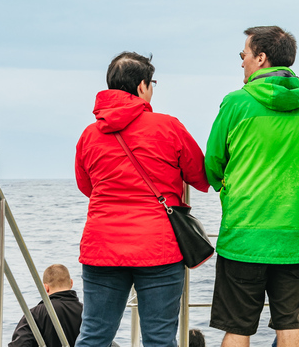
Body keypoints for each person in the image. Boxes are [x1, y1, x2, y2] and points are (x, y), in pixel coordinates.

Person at [205, 26, 299, 347]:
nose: (241, 62)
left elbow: (212, 165)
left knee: (238, 328)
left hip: (243, 234)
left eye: (243, 55)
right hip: (294, 236)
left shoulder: (235, 103)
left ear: (261, 58)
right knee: (289, 327)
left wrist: (227, 187)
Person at [74, 52, 209, 347]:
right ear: (141, 87)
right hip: (158, 247)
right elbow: (200, 176)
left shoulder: (88, 135)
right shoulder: (168, 126)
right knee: (160, 338)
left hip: (102, 247)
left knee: (94, 334)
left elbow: (87, 186)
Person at [9, 264, 83, 347]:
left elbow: (20, 344)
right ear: (71, 283)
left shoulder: (35, 314)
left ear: (45, 287)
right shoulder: (87, 313)